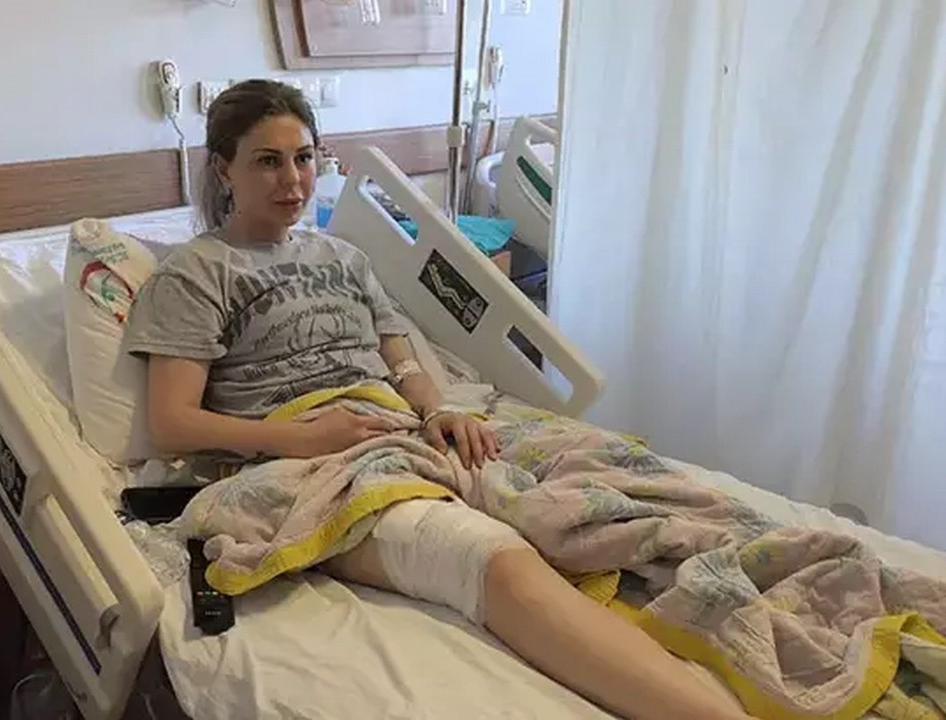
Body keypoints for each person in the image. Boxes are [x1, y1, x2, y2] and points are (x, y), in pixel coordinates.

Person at [123, 79, 752, 720]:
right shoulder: (197, 272)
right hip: (308, 455)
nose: (293, 180)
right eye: (268, 161)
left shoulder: (344, 257)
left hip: (401, 424)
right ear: (223, 169)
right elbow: (173, 424)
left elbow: (400, 357)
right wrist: (303, 438)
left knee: (620, 487)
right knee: (489, 561)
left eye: (304, 157)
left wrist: (439, 410)